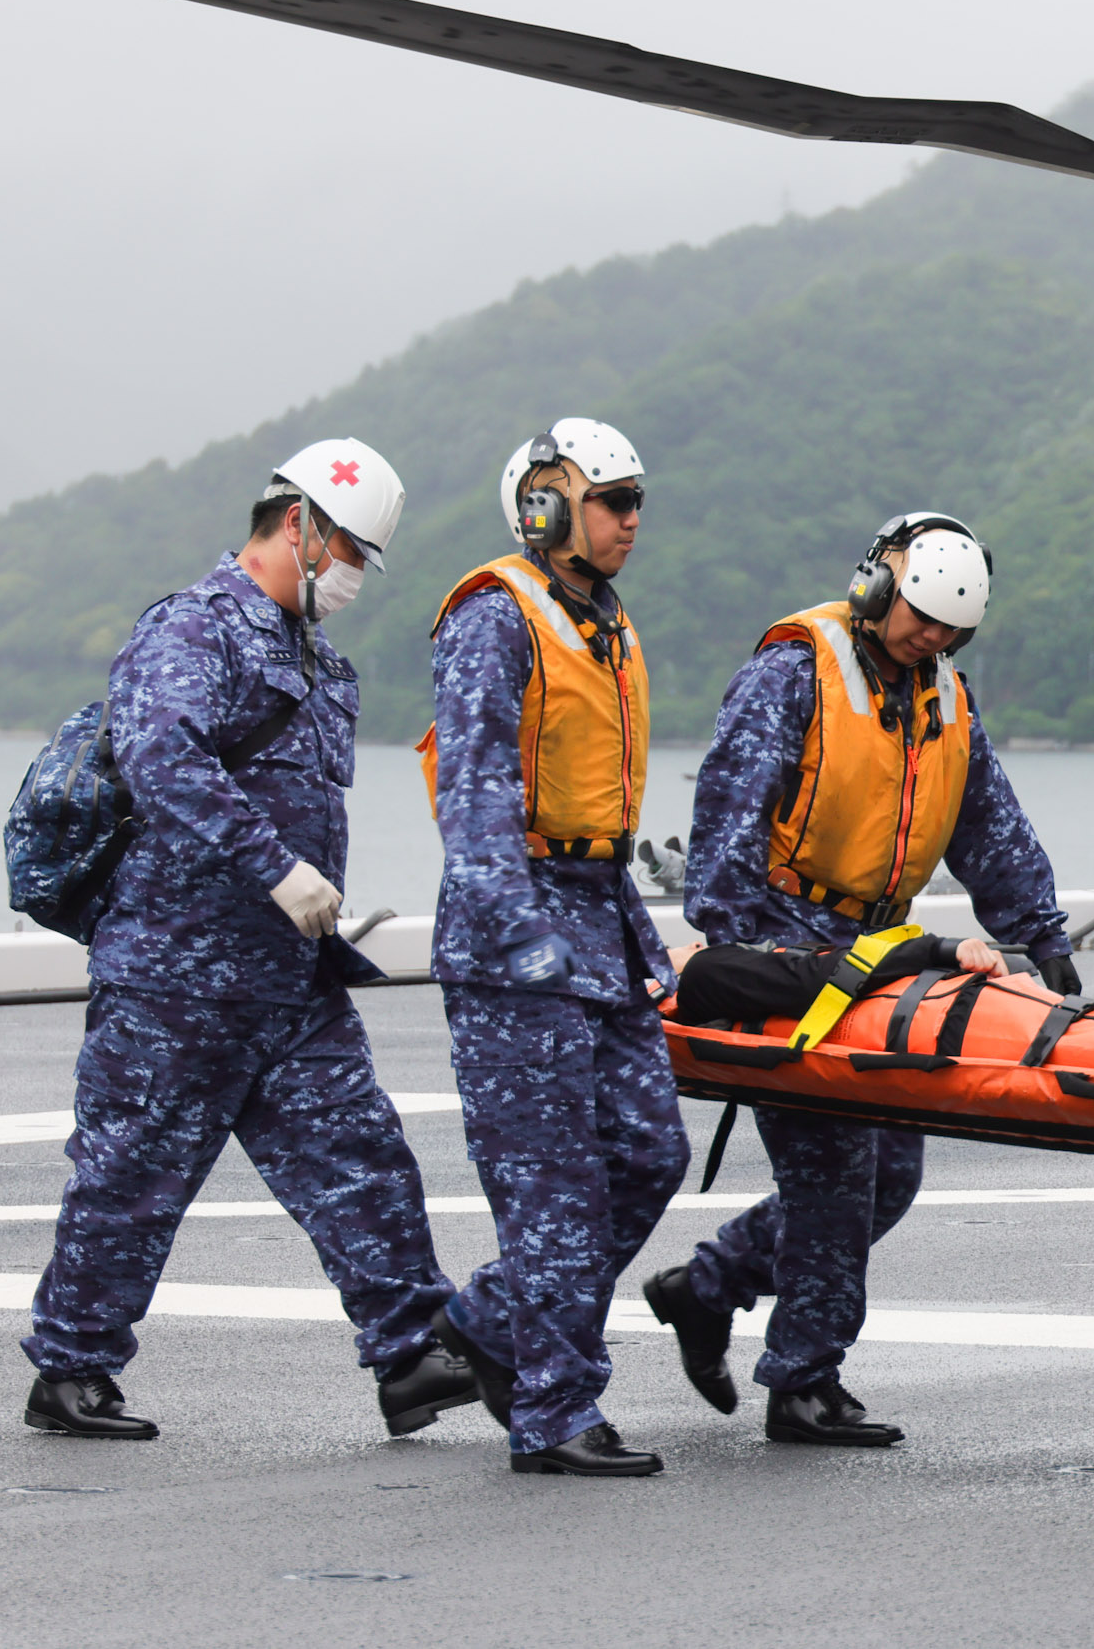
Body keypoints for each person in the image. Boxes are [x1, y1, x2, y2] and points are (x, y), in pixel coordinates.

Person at [23, 441, 473, 1441]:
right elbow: (159, 757)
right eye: (349, 547)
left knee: (361, 1156)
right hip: (174, 972)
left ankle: (412, 1356)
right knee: (131, 1178)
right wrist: (273, 864)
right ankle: (70, 1370)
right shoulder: (192, 629)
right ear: (301, 526)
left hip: (286, 977)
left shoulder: (313, 655)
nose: (354, 571)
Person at [641, 512, 1075, 1444]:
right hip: (787, 947)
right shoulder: (793, 673)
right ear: (879, 585)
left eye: (951, 630)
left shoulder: (944, 699)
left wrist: (1045, 937)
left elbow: (989, 828)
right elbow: (726, 828)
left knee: (890, 1179)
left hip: (879, 957)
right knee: (834, 1169)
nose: (932, 639)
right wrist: (756, 961)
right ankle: (803, 1380)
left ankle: (704, 1288)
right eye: (920, 618)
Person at [421, 420, 688, 1476]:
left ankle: (487, 1325)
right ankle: (553, 1413)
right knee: (552, 1186)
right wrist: (521, 940)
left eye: (636, 501)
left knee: (647, 1152)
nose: (629, 519)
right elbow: (474, 799)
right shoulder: (495, 617)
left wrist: (629, 936)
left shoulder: (603, 621)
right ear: (545, 502)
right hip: (513, 928)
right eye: (611, 499)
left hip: (596, 907)